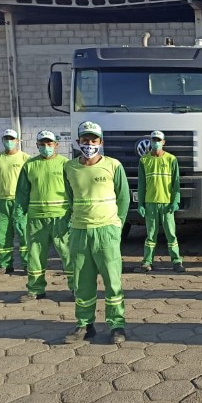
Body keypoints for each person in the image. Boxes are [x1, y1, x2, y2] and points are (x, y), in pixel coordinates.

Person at [63, 121, 130, 344]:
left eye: (93, 140)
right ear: (78, 142)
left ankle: (117, 325)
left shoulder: (113, 165)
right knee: (83, 281)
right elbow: (70, 198)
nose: (89, 144)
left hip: (106, 231)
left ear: (101, 142)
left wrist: (116, 225)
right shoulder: (70, 168)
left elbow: (123, 198)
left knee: (112, 281)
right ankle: (84, 324)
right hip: (80, 232)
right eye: (85, 140)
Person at [15, 130, 73, 301]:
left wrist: (74, 214)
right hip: (36, 219)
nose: (46, 147)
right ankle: (35, 289)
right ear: (37, 145)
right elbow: (22, 193)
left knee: (68, 254)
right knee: (35, 255)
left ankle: (76, 288)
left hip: (61, 217)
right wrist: (19, 214)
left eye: (49, 144)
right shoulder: (29, 165)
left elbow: (73, 192)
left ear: (56, 145)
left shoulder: (66, 164)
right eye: (42, 144)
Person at [135, 130, 185, 273]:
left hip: (167, 204)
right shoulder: (144, 160)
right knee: (151, 234)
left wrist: (176, 201)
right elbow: (141, 184)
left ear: (163, 142)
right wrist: (140, 204)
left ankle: (176, 261)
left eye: (158, 140)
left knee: (171, 234)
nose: (156, 142)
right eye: (153, 140)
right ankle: (147, 262)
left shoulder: (171, 159)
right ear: (150, 141)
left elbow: (176, 183)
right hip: (150, 203)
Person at [0, 128, 29, 275]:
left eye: (12, 139)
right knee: (3, 234)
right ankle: (5, 264)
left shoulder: (25, 158)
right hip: (2, 201)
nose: (9, 142)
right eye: (6, 139)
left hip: (20, 202)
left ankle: (27, 263)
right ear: (2, 140)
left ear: (17, 141)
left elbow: (31, 181)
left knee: (23, 233)